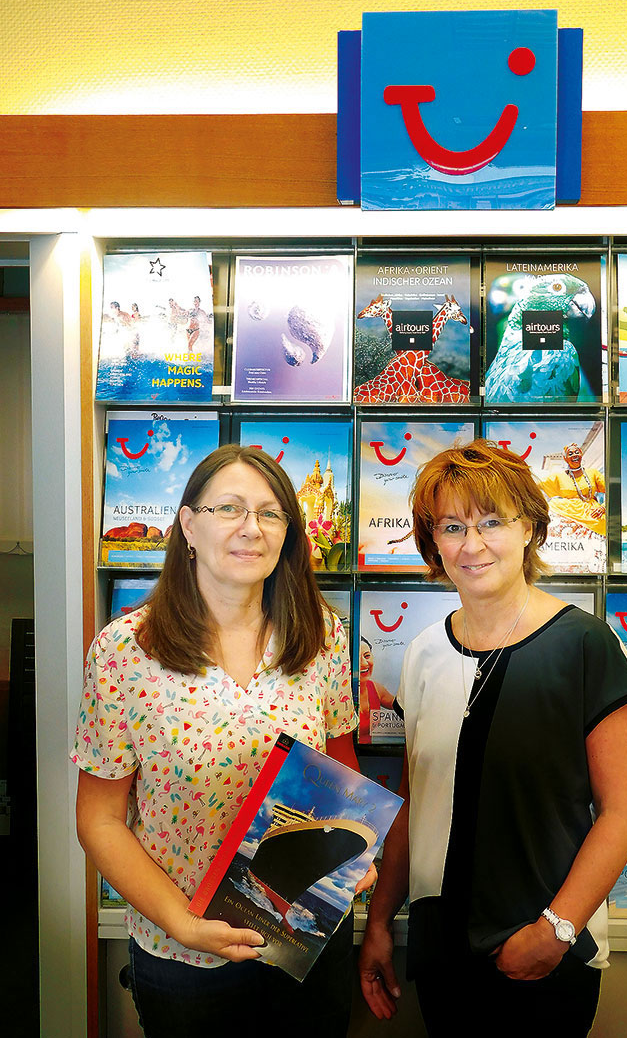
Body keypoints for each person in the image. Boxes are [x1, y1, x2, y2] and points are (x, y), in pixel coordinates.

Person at [72, 444, 371, 1038]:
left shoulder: (322, 635)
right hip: (183, 959)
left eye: (270, 512)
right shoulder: (126, 651)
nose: (250, 528)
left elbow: (341, 774)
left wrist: (360, 852)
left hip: (305, 940)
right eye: (228, 508)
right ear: (187, 524)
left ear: (289, 532)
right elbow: (99, 819)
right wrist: (182, 922)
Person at [358, 439, 627, 1037]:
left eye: (492, 521)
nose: (473, 543)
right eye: (453, 526)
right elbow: (418, 805)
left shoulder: (584, 645)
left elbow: (622, 810)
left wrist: (555, 931)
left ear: (530, 529)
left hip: (541, 957)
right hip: (442, 951)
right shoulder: (422, 653)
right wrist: (381, 922)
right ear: (432, 543)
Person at [539, 441, 606, 536]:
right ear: (565, 458)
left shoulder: (592, 473)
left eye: (577, 452)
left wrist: (603, 507)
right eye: (570, 454)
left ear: (581, 454)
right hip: (564, 509)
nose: (574, 455)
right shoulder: (559, 477)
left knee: (602, 523)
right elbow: (536, 485)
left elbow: (611, 490)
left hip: (590, 512)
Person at [358, 636, 395, 743]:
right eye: (357, 658)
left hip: (369, 754)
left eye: (367, 656)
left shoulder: (376, 689)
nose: (364, 663)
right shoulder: (341, 694)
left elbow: (401, 706)